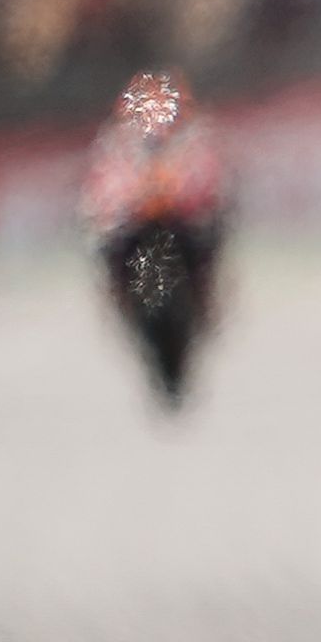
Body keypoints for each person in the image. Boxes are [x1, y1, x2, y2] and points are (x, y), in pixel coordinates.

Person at [82, 70, 232, 401]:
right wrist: (117, 212)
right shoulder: (117, 144)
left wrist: (191, 202)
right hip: (135, 226)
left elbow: (211, 183)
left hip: (180, 221)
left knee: (208, 240)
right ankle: (119, 302)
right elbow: (101, 192)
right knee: (106, 249)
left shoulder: (194, 138)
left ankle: (206, 298)